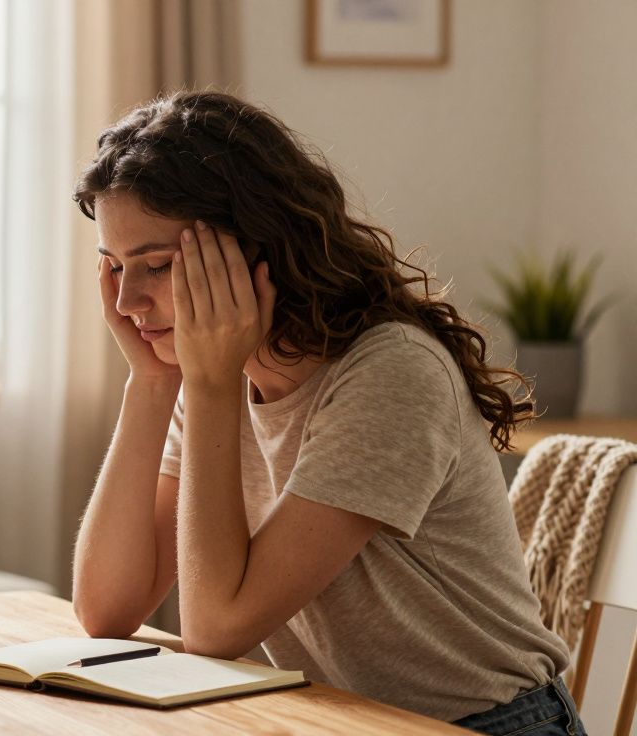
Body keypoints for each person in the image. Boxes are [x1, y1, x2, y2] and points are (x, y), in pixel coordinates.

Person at [70, 91, 585, 735]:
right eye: (113, 267)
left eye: (155, 266)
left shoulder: (390, 374)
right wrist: (149, 384)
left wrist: (205, 387)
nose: (126, 301)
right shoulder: (219, 375)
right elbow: (106, 610)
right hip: (337, 720)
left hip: (483, 724)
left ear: (254, 248)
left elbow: (215, 629)